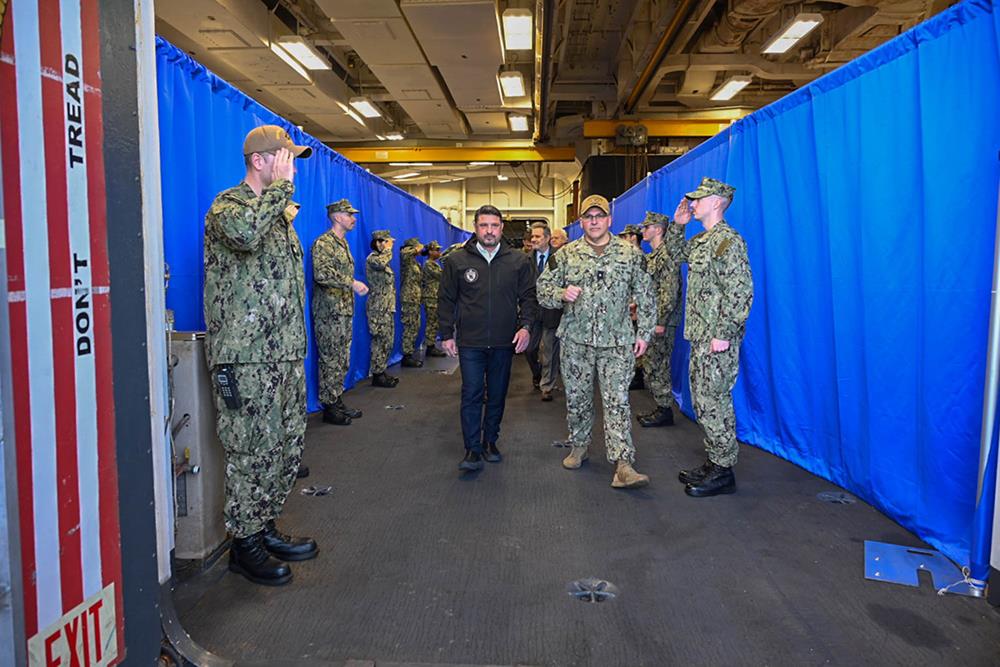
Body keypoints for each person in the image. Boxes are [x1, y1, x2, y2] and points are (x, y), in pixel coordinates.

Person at [204, 125, 317, 586]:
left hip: (284, 355)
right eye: (285, 158)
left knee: (285, 444)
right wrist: (283, 192)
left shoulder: (278, 216)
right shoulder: (229, 207)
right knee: (250, 449)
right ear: (259, 160)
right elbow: (246, 235)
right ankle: (243, 542)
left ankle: (264, 525)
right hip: (244, 357)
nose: (290, 168)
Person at [537, 194, 655, 489]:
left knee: (617, 401)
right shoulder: (565, 255)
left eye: (599, 216)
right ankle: (579, 445)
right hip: (576, 341)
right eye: (588, 217)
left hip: (616, 342)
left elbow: (647, 295)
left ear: (609, 220)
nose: (593, 221)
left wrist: (645, 334)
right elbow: (542, 289)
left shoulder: (629, 254)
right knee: (578, 399)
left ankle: (623, 463)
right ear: (581, 221)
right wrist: (561, 294)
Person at [669, 177, 754, 497]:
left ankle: (723, 470)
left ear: (717, 201)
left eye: (699, 199)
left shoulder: (729, 241)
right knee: (704, 402)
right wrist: (678, 226)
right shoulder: (704, 241)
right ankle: (715, 460)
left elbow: (741, 291)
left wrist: (724, 333)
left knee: (713, 401)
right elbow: (676, 255)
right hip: (701, 335)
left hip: (716, 338)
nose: (693, 204)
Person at [439, 205, 537, 472]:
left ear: (502, 228)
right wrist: (446, 334)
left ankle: (490, 441)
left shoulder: (518, 261)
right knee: (471, 393)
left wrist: (526, 327)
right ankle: (472, 449)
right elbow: (446, 299)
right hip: (470, 342)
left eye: (494, 225)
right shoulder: (457, 261)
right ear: (475, 227)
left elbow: (529, 298)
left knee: (496, 394)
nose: (489, 231)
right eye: (484, 225)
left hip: (504, 343)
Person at [312, 199, 368, 426]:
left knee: (341, 358)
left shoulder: (343, 244)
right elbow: (321, 274)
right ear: (336, 217)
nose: (353, 219)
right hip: (329, 313)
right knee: (330, 359)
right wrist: (352, 283)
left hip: (343, 311)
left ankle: (336, 399)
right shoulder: (323, 243)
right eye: (349, 214)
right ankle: (329, 406)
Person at [637, 211, 683, 427]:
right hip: (653, 319)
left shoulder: (667, 255)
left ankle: (665, 410)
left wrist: (661, 321)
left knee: (659, 364)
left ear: (658, 229)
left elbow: (669, 292)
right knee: (653, 363)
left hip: (661, 322)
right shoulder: (653, 256)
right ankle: (661, 406)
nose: (643, 231)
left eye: (647, 227)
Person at [525, 222, 562, 401]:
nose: (533, 240)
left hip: (552, 311)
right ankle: (537, 374)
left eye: (537, 236)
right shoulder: (526, 259)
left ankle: (547, 386)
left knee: (549, 350)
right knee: (530, 349)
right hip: (532, 312)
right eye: (532, 237)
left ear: (547, 238)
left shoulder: (558, 258)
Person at [366, 230, 399, 387]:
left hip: (387, 307)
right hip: (378, 308)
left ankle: (381, 370)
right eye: (386, 241)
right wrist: (387, 249)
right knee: (379, 341)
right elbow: (381, 263)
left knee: (387, 341)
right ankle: (377, 374)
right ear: (379, 243)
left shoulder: (383, 261)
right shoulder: (373, 259)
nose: (390, 245)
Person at [400, 237, 425, 368]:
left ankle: (410, 353)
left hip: (415, 298)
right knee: (409, 326)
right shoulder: (406, 259)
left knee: (415, 326)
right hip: (408, 298)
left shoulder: (415, 262)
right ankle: (406, 356)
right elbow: (404, 253)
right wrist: (415, 248)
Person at [421, 241, 446, 357]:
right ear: (430, 251)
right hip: (430, 297)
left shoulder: (434, 264)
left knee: (434, 322)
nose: (438, 252)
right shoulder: (428, 264)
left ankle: (431, 345)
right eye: (436, 250)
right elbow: (441, 275)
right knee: (431, 322)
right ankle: (430, 347)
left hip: (434, 297)